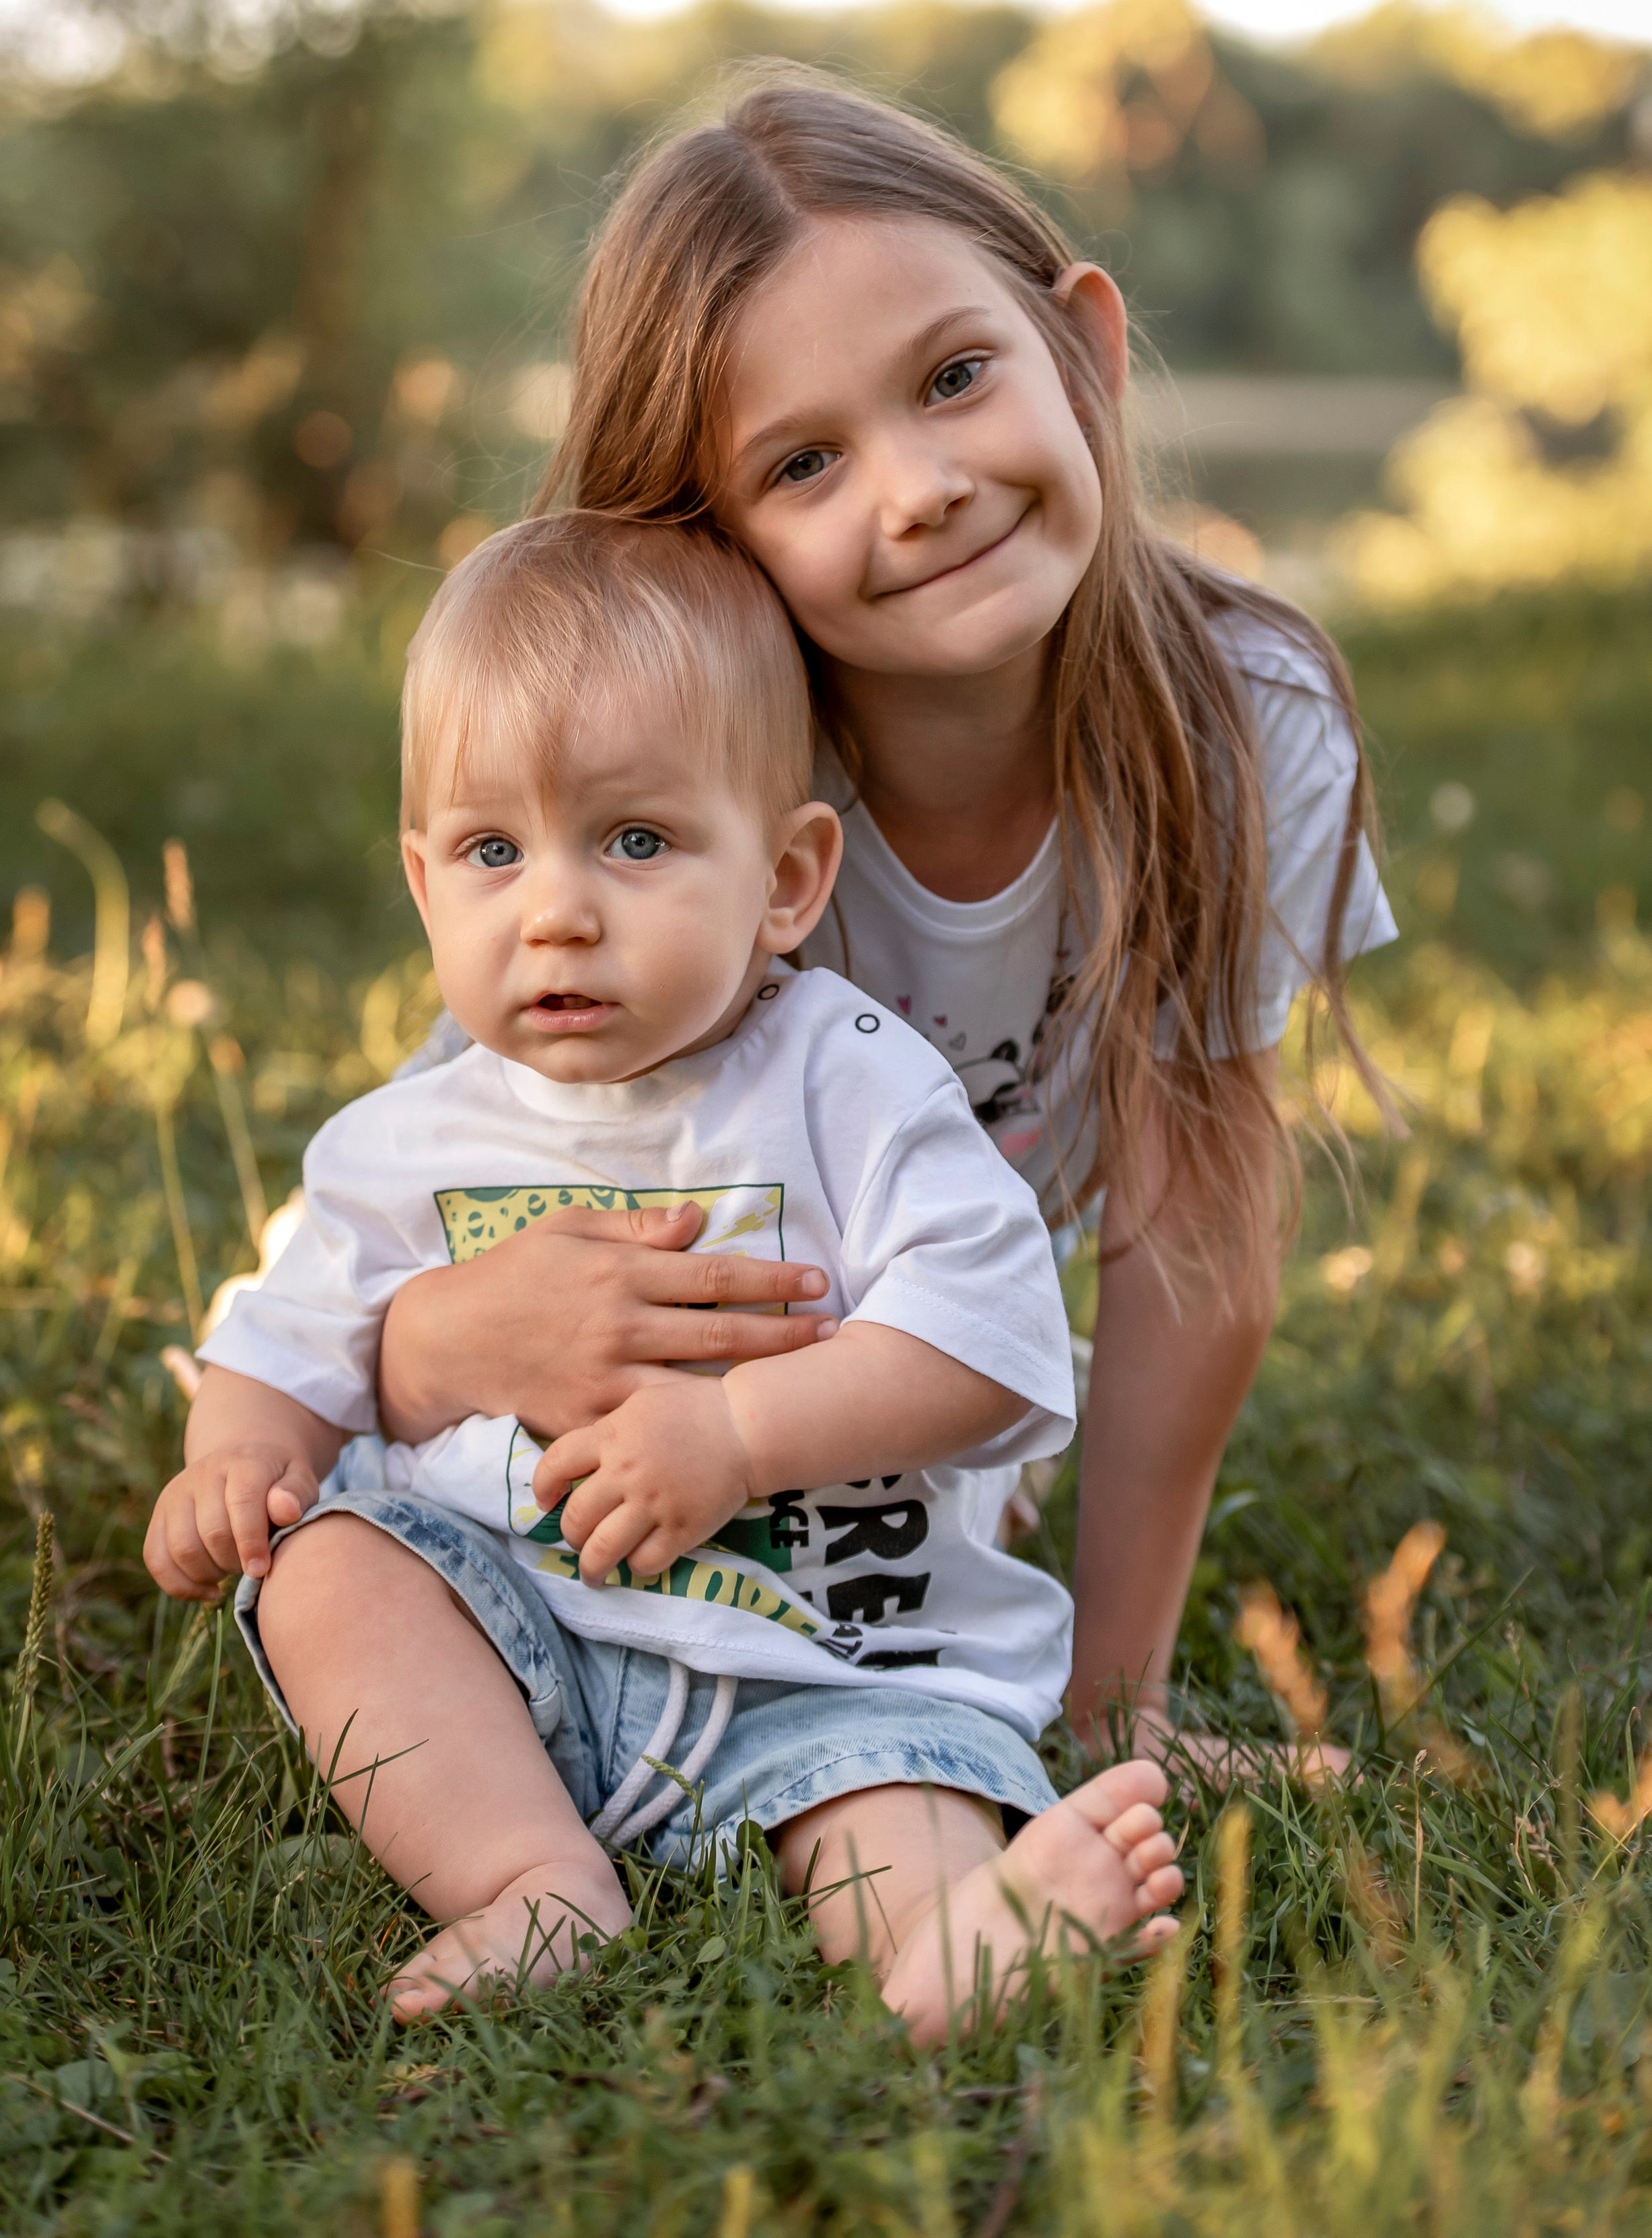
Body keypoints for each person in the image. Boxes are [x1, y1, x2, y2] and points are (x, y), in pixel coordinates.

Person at [375, 76, 1396, 1788]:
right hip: (595, 1369)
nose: (915, 488)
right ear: (705, 539)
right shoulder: (695, 812)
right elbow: (428, 1238)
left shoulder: (1241, 717)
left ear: (1080, 353)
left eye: (951, 378)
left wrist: (1109, 1709)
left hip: (884, 1360)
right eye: (803, 461)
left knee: (937, 1454)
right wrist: (424, 1345)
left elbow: (1192, 1237)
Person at [143, 512, 1184, 2036]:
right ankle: (528, 1879)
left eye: (635, 841)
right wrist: (233, 1462)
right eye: (496, 851)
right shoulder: (398, 1144)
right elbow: (287, 1345)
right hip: (522, 1652)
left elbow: (999, 1337)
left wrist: (741, 1437)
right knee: (333, 1570)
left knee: (887, 1793)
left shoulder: (854, 1085)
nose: (557, 906)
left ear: (783, 877)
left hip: (835, 1654)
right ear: (427, 889)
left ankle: (949, 1945)